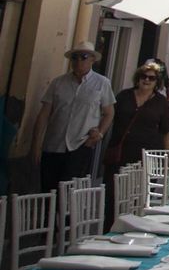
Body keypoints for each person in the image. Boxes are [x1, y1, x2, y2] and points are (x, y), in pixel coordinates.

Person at [31, 43, 115, 193]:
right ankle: (49, 217)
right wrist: (36, 145)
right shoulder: (58, 83)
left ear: (92, 60)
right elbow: (44, 114)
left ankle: (66, 217)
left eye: (84, 57)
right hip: (53, 145)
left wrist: (99, 133)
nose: (78, 61)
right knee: (48, 190)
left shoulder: (102, 83)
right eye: (74, 57)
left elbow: (109, 112)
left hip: (80, 144)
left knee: (70, 194)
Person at [104, 60, 169, 179]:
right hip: (120, 154)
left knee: (140, 193)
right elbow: (108, 116)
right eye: (143, 76)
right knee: (114, 191)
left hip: (147, 158)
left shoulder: (161, 102)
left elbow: (166, 131)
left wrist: (166, 158)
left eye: (151, 78)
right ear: (138, 78)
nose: (146, 80)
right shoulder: (124, 96)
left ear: (157, 82)